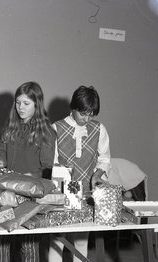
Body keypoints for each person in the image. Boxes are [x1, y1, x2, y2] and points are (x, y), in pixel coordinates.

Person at [0, 82, 56, 262]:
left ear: (37, 105)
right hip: (7, 191)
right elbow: (2, 154)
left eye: (26, 103)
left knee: (28, 244)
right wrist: (0, 162)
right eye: (18, 102)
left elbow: (48, 169)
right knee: (0, 240)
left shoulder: (46, 132)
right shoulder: (10, 128)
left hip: (30, 195)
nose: (20, 107)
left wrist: (31, 177)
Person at [49, 85, 111, 262]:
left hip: (86, 190)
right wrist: (61, 171)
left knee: (82, 241)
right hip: (61, 191)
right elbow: (50, 162)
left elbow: (105, 158)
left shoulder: (99, 129)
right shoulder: (56, 128)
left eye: (91, 114)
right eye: (83, 113)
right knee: (57, 241)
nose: (87, 118)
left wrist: (98, 174)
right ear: (72, 108)